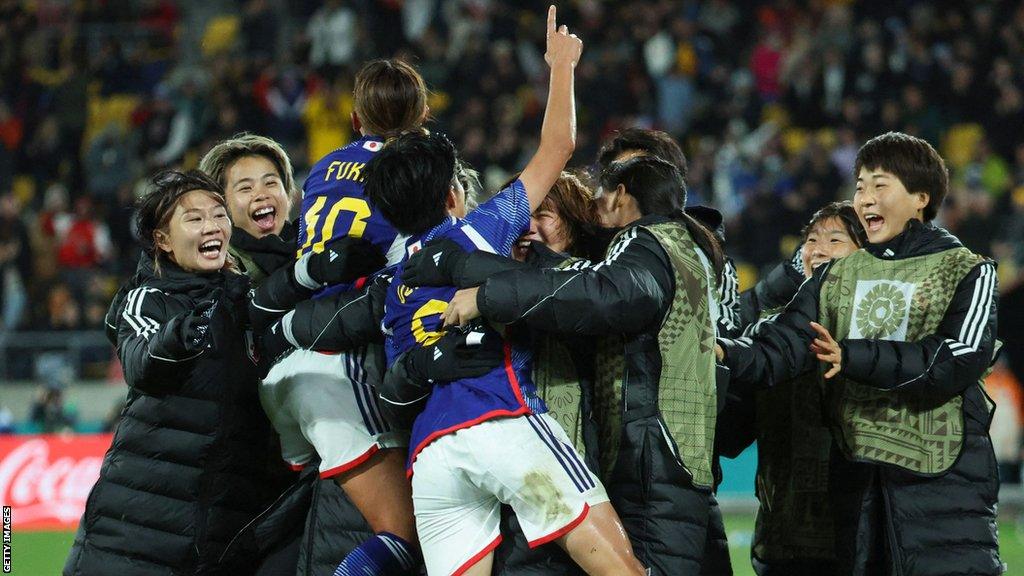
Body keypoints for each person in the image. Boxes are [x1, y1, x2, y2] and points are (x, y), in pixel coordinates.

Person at [366, 9, 645, 575]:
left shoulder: (392, 286)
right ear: (451, 195)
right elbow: (559, 144)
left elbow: (402, 383)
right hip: (502, 420)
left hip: (432, 456)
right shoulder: (474, 232)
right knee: (622, 568)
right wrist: (562, 67)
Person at [405, 153, 725, 575]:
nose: (527, 228)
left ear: (574, 225)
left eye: (543, 214)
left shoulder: (599, 294)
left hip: (591, 508)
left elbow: (580, 292)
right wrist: (419, 366)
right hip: (509, 520)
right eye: (518, 218)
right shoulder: (466, 302)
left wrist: (478, 277)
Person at [717, 132, 1001, 576]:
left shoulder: (968, 270)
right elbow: (785, 342)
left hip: (941, 494)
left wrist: (851, 357)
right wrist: (723, 351)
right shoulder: (835, 276)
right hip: (857, 490)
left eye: (880, 185)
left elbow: (957, 357)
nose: (864, 198)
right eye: (860, 186)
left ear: (921, 197)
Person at [254, 57, 433, 575]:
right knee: (403, 534)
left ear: (356, 118)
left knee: (315, 501)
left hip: (292, 360)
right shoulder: (415, 174)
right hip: (344, 362)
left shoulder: (322, 168)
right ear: (422, 115)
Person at [65, 170, 289, 575]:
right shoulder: (147, 298)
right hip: (132, 539)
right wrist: (187, 330)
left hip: (217, 540)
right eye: (194, 218)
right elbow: (142, 363)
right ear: (163, 241)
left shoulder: (248, 305)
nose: (211, 226)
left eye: (218, 215)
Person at [719, 201, 866, 576]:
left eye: (836, 239)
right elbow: (733, 431)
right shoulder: (773, 330)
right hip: (782, 536)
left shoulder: (879, 327)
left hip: (856, 535)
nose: (818, 249)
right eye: (811, 239)